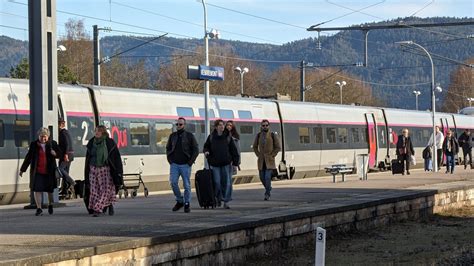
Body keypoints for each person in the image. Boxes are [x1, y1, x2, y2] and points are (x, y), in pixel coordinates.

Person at [19, 127, 61, 216]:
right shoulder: (34, 145)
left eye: (45, 136)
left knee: (50, 191)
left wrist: (55, 154)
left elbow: (60, 154)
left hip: (49, 172)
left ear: (48, 136)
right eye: (41, 136)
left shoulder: (52, 144)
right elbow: (28, 157)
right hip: (37, 171)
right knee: (37, 189)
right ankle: (39, 208)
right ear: (38, 136)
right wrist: (23, 169)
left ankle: (50, 204)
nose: (43, 138)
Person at [84, 125, 123, 217]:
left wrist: (118, 171)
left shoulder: (109, 143)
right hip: (93, 168)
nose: (96, 133)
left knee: (105, 190)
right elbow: (88, 158)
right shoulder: (91, 143)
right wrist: (87, 169)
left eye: (99, 131)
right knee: (94, 189)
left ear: (103, 133)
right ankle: (101, 206)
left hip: (105, 169)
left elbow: (116, 158)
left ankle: (99, 208)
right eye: (96, 131)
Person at [203, 119, 240, 209]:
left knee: (226, 183)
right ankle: (218, 198)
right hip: (215, 164)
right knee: (217, 182)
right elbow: (206, 146)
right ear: (216, 127)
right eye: (220, 125)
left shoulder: (227, 136)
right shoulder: (211, 137)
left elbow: (233, 150)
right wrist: (206, 151)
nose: (222, 126)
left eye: (223, 125)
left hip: (226, 164)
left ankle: (226, 201)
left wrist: (235, 163)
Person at [166, 117, 199, 213]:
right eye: (177, 124)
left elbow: (195, 149)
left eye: (180, 124)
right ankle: (180, 200)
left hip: (185, 165)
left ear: (184, 125)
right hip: (174, 164)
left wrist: (190, 162)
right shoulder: (172, 136)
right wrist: (170, 160)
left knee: (187, 185)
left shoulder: (189, 136)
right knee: (173, 183)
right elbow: (168, 148)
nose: (178, 126)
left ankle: (187, 203)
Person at [253, 119, 281, 200]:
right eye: (263, 125)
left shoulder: (272, 135)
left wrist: (272, 155)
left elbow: (278, 147)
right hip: (261, 160)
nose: (265, 127)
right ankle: (268, 188)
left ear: (269, 126)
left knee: (267, 177)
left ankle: (267, 194)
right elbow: (255, 146)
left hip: (269, 160)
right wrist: (258, 154)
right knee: (262, 178)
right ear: (261, 126)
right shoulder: (258, 135)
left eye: (266, 125)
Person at [57, 118, 75, 197]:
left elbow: (67, 144)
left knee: (60, 169)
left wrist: (66, 154)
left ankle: (71, 181)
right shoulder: (66, 132)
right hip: (70, 154)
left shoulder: (63, 133)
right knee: (65, 172)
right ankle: (65, 190)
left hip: (66, 155)